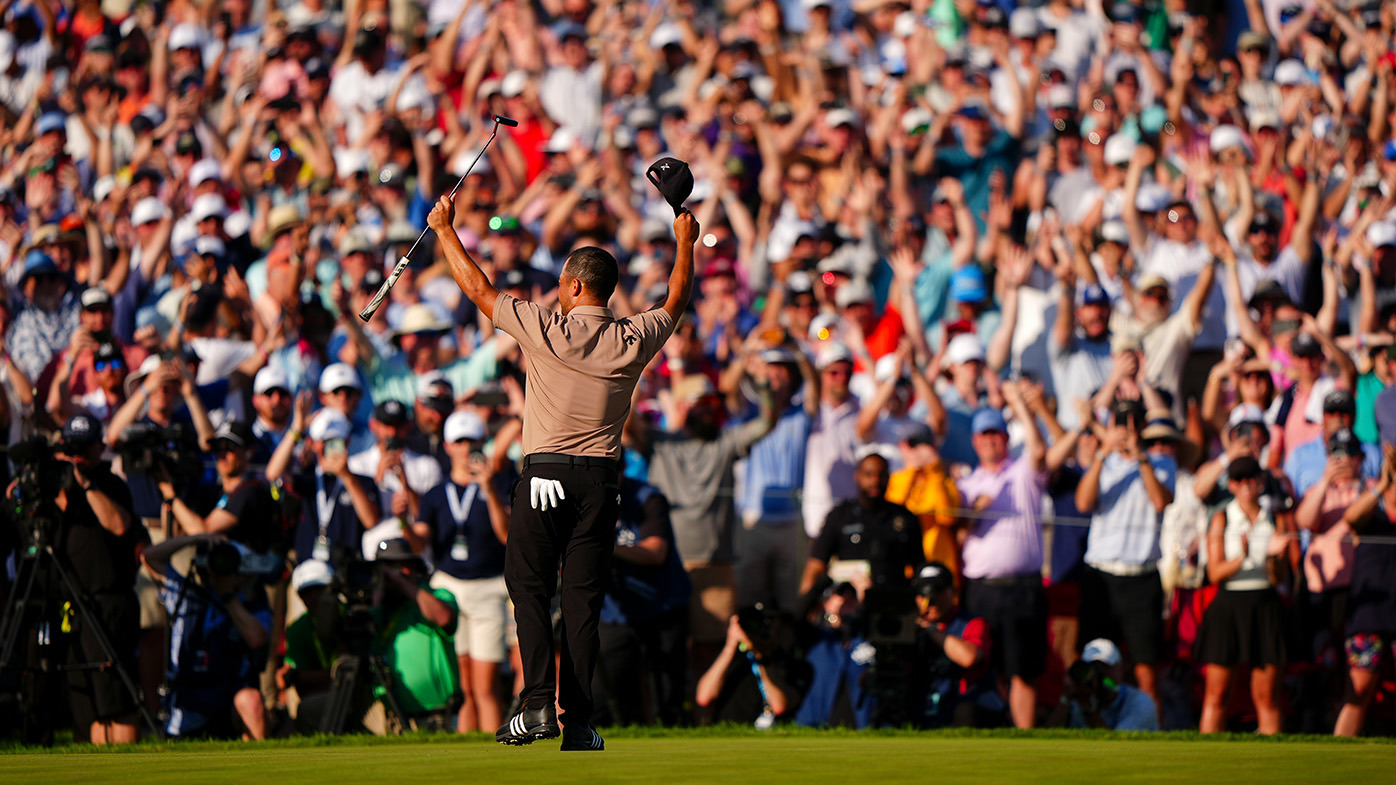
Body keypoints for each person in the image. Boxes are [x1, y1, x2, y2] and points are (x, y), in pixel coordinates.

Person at [428, 192, 698, 750]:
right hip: (601, 483)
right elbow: (676, 297)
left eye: (561, 283)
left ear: (574, 285)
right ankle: (578, 719)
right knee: (582, 601)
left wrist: (444, 230)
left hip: (545, 474)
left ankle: (535, 707)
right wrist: (684, 243)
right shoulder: (632, 337)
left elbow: (477, 290)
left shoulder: (547, 328)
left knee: (527, 587)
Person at [627, 372, 775, 677]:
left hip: (715, 568)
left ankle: (703, 717)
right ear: (682, 407)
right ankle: (672, 715)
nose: (710, 409)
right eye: (701, 403)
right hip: (667, 567)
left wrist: (762, 384)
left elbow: (766, 423)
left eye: (713, 402)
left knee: (711, 650)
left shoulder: (726, 442)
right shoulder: (659, 443)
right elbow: (626, 420)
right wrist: (639, 376)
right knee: (667, 651)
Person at [39, 414, 144, 744]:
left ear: (101, 447)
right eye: (74, 448)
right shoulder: (54, 485)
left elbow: (118, 525)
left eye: (86, 448)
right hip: (70, 607)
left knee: (116, 698)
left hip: (109, 605)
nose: (79, 456)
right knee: (87, 702)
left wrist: (85, 484)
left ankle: (126, 773)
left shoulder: (110, 484)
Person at [955, 383, 1050, 729]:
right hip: (982, 589)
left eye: (996, 434)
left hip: (1023, 588)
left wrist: (1021, 407)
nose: (989, 440)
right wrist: (974, 513)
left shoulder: (1022, 471)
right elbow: (959, 535)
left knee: (1022, 670)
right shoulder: (967, 485)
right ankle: (998, 730)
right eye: (983, 435)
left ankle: (1023, 739)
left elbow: (1039, 451)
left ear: (1006, 438)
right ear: (975, 441)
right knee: (985, 666)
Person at [412, 411, 511, 734]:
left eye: (474, 441)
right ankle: (469, 764)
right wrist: (403, 521)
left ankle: (498, 760)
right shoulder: (437, 494)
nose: (467, 448)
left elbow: (507, 535)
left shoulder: (499, 484)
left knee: (485, 688)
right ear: (447, 446)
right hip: (450, 592)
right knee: (464, 690)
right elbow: (420, 543)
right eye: (460, 441)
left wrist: (490, 489)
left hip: (488, 591)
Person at [1074, 402, 1178, 709]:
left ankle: (1150, 736)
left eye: (1132, 422)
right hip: (1101, 576)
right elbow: (1083, 503)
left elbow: (1161, 501)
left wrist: (1140, 457)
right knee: (1093, 664)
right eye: (1119, 421)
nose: (1126, 428)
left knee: (1146, 670)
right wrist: (1104, 452)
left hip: (1140, 577)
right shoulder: (1101, 462)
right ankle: (1092, 730)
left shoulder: (1161, 462)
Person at [1196, 457, 1293, 735]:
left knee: (1266, 698)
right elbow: (1214, 573)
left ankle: (1271, 769)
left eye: (1251, 478)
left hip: (1265, 605)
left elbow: (1279, 578)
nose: (1246, 484)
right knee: (1216, 695)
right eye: (1239, 479)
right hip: (1229, 605)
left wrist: (1275, 558)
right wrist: (1244, 557)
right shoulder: (1222, 517)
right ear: (1231, 485)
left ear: (1261, 481)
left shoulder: (1275, 519)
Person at [141, 534, 272, 739]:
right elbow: (150, 557)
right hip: (189, 697)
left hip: (230, 695)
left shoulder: (252, 602)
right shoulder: (187, 595)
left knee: (251, 700)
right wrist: (196, 539)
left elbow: (257, 640)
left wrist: (228, 596)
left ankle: (258, 765)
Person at [595, 476, 692, 727]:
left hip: (663, 608)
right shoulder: (582, 495)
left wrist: (602, 547)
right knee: (598, 701)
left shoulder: (647, 498)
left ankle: (672, 757)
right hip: (615, 613)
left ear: (621, 469)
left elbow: (656, 552)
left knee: (667, 703)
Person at [363, 539, 461, 734]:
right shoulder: (378, 607)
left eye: (401, 566)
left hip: (435, 716)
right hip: (389, 715)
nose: (392, 574)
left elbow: (443, 617)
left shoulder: (438, 595)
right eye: (388, 567)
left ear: (415, 568)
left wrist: (401, 582)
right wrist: (376, 599)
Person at [1334, 445, 1396, 737]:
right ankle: (1336, 763)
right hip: (1369, 619)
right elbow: (1350, 519)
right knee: (1358, 690)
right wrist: (1383, 484)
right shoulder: (1371, 513)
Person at [799, 453, 923, 597]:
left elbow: (919, 567)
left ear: (889, 477)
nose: (875, 481)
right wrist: (805, 609)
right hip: (849, 605)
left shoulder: (904, 518)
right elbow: (815, 566)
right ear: (857, 476)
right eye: (868, 474)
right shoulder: (840, 516)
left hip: (893, 602)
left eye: (881, 475)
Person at [911, 562, 1005, 729]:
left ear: (953, 592)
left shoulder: (973, 623)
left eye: (937, 591)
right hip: (925, 706)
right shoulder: (909, 628)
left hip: (970, 708)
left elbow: (969, 658)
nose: (930, 599)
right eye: (922, 593)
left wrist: (932, 631)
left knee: (965, 712)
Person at [1060, 639, 1159, 731]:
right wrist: (1066, 698)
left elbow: (1115, 745)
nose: (1100, 674)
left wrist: (1088, 708)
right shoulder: (1080, 697)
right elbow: (1049, 735)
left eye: (1106, 667)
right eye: (1094, 668)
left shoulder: (1141, 703)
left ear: (1121, 669)